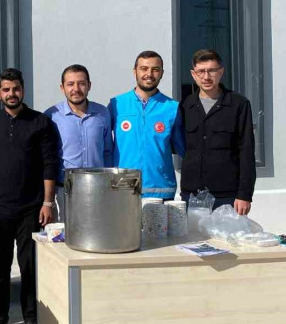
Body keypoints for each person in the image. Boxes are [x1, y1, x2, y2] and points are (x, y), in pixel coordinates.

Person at [0, 68, 58, 324]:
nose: (11, 94)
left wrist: (47, 202)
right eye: (6, 89)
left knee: (29, 267)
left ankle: (31, 317)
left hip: (31, 208)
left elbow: (50, 164)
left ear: (22, 90)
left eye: (15, 88)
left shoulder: (40, 122)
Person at [178, 49, 256, 214]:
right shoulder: (186, 106)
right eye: (201, 71)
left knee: (227, 240)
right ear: (193, 74)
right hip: (192, 194)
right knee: (193, 240)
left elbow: (246, 151)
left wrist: (245, 194)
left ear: (221, 72)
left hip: (228, 196)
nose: (206, 77)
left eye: (212, 71)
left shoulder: (238, 104)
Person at [108, 51, 185, 200]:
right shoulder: (117, 104)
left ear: (162, 73)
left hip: (161, 191)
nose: (149, 74)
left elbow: (186, 150)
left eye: (155, 69)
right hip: (123, 189)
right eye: (144, 68)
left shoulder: (172, 108)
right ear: (134, 71)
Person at [45, 64, 113, 221]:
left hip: (98, 188)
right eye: (70, 84)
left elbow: (107, 151)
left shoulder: (102, 113)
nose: (76, 89)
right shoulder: (51, 116)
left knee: (97, 232)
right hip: (65, 190)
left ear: (89, 86)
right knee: (65, 237)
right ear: (62, 88)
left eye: (81, 83)